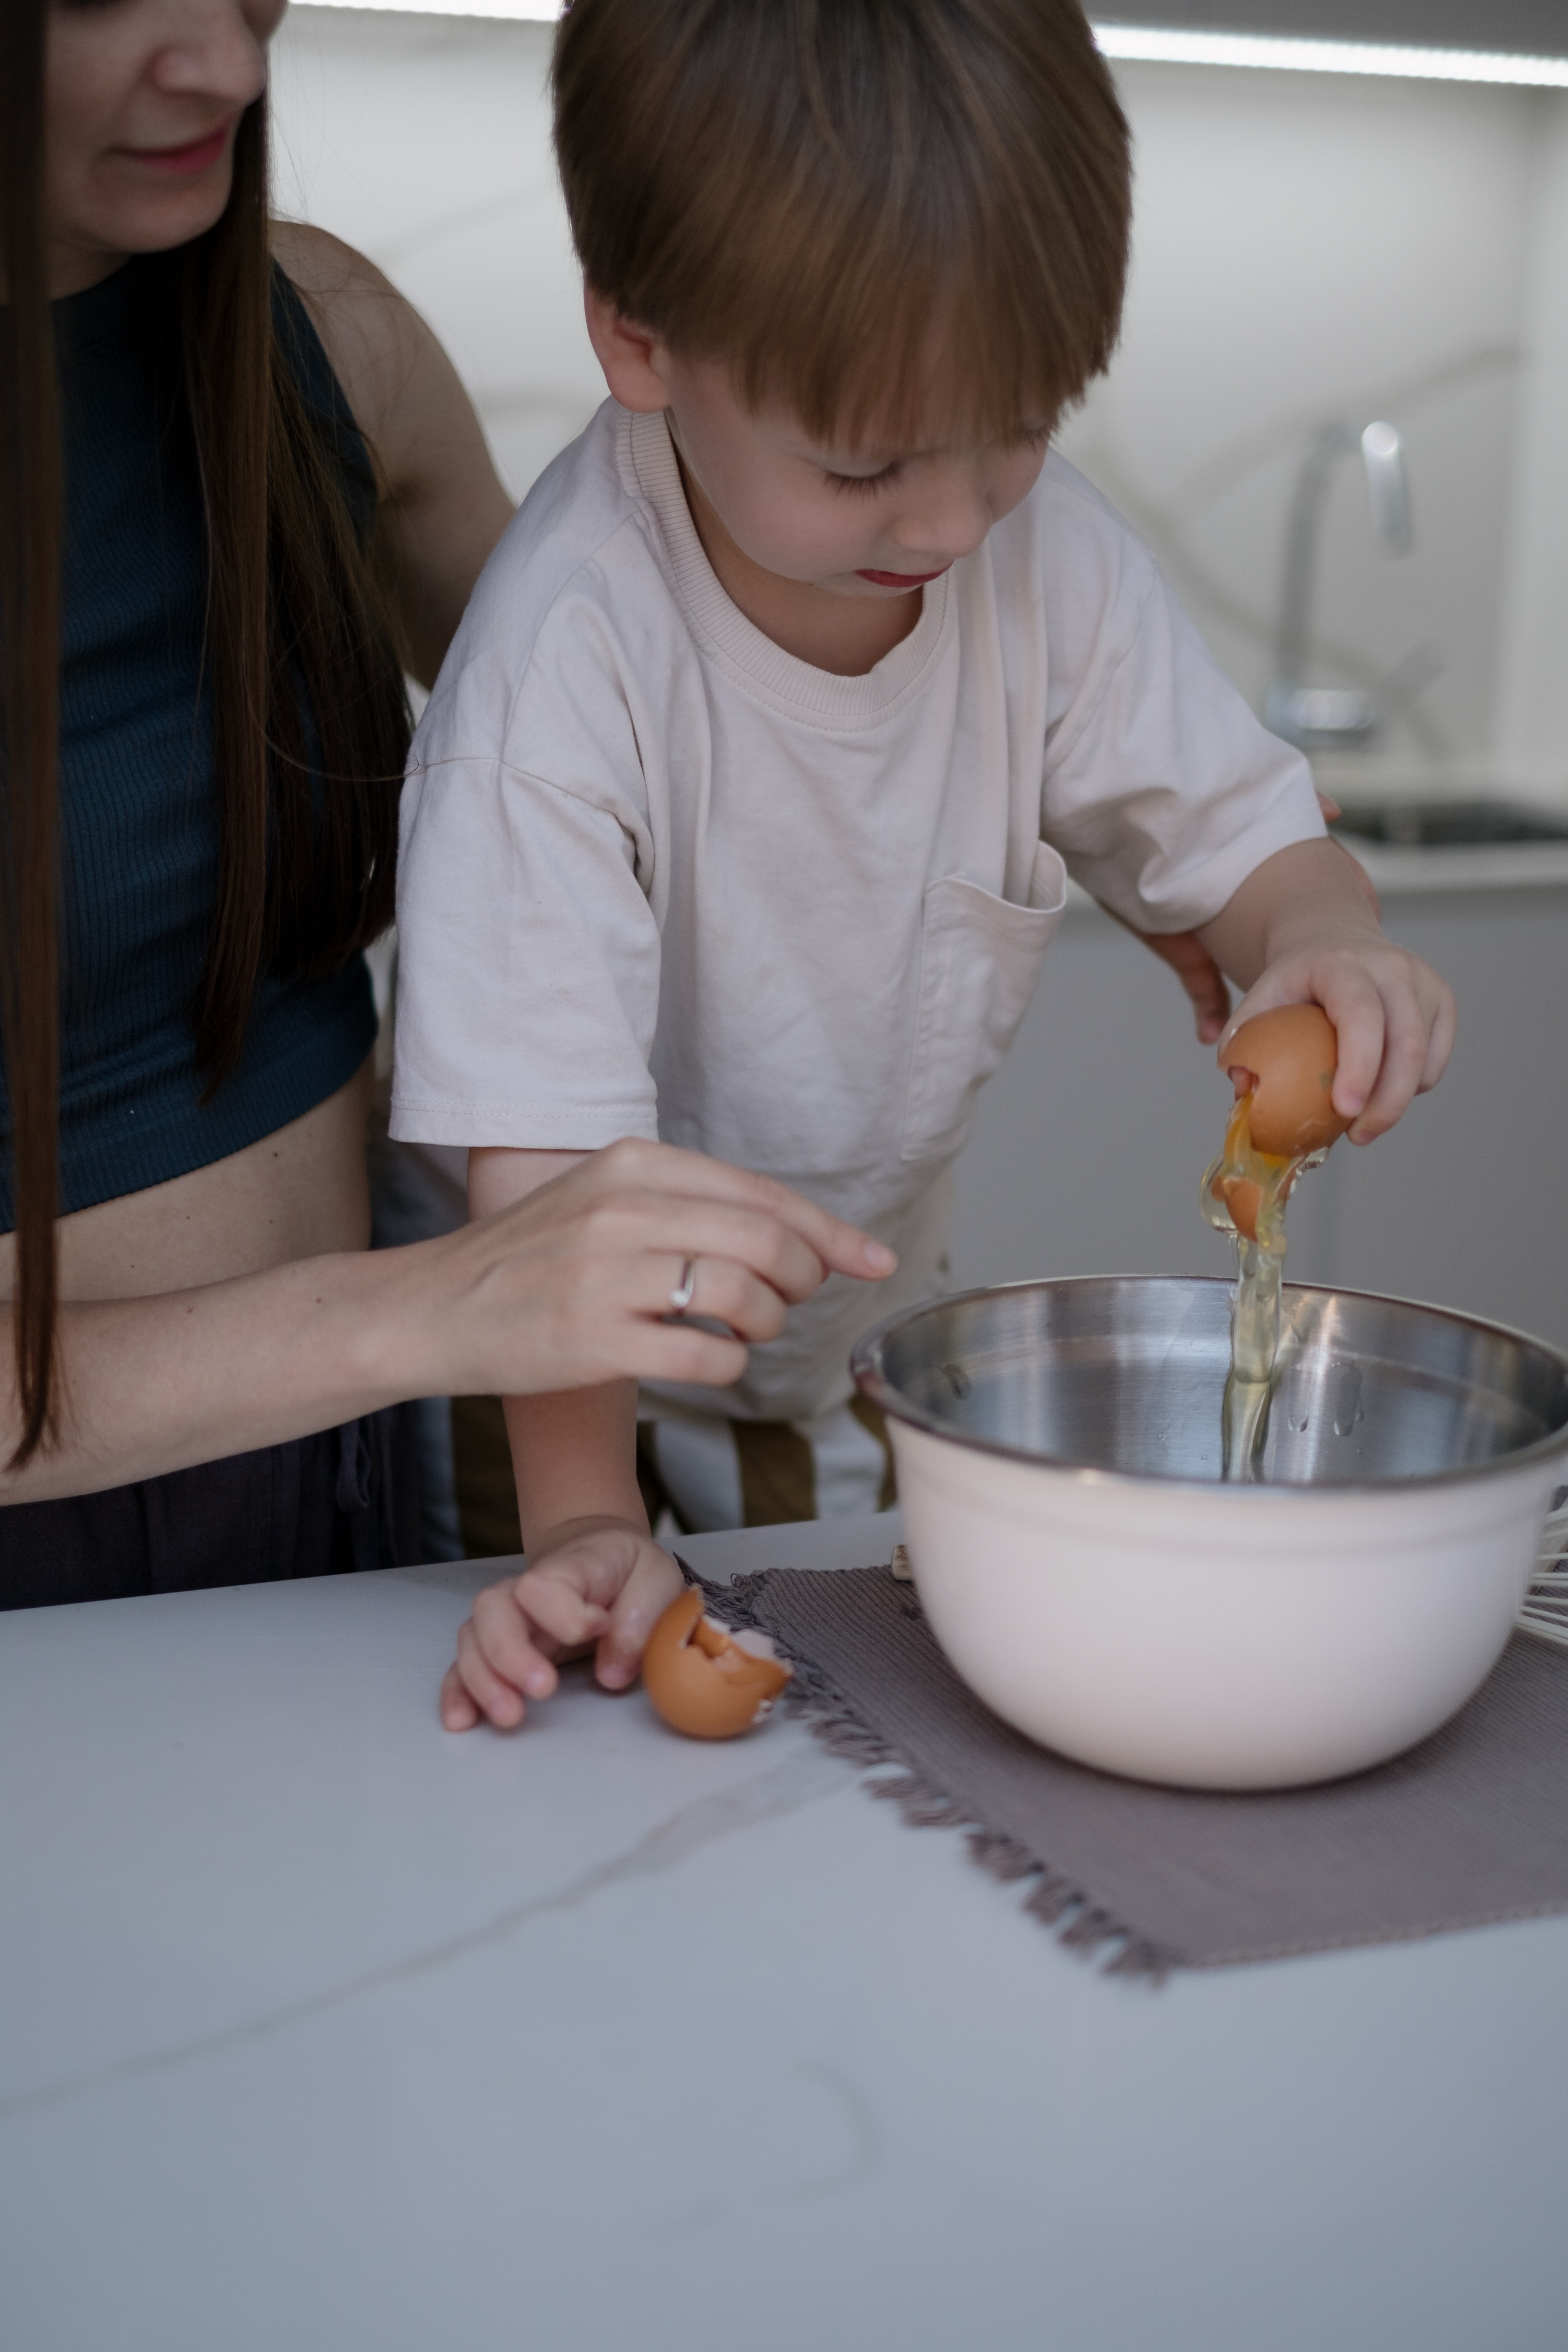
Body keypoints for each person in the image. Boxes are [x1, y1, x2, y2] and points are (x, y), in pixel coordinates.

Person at [391, 0, 1456, 1733]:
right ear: (638, 341)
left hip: (838, 1358)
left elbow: (1246, 841)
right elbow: (544, 1189)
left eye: (1018, 425)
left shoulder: (1044, 562)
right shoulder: (562, 667)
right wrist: (585, 1520)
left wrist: (1319, 940)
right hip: (548, 1391)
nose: (955, 523)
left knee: (847, 1772)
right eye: (868, 463)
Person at [0, 0, 894, 1643]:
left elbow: (657, 769)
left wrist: (1165, 814)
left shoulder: (330, 347)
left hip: (348, 1473)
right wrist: (426, 1311)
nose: (231, 64)